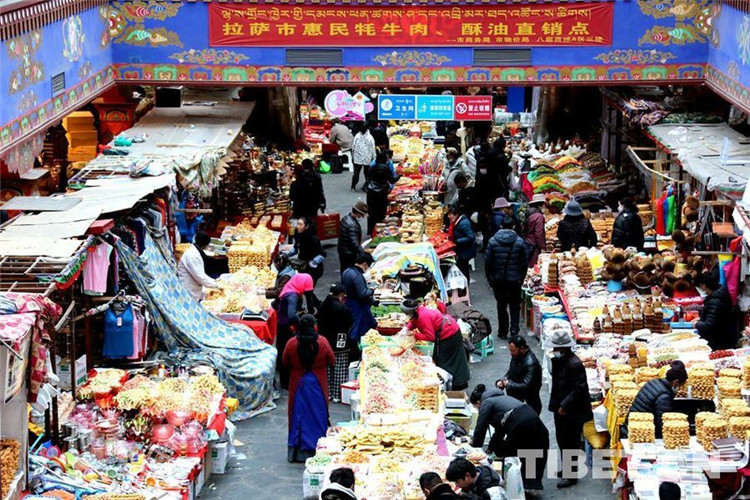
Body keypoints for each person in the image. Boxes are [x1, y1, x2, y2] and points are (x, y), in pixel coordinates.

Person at [470, 385, 548, 493]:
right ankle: (531, 485)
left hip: (519, 423)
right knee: (533, 450)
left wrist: (475, 449)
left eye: (476, 407)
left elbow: (481, 427)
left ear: (478, 403)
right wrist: (491, 447)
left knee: (510, 452)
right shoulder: (501, 398)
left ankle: (521, 485)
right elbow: (500, 429)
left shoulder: (486, 402)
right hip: (532, 418)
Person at [282, 314, 334, 463]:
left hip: (298, 383)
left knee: (298, 415)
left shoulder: (292, 343)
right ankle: (318, 448)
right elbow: (331, 359)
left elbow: (285, 361)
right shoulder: (322, 342)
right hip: (317, 383)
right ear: (314, 326)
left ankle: (296, 451)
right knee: (318, 415)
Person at [548, 330, 593, 489]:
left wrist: (564, 405)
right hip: (560, 407)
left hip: (572, 411)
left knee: (571, 442)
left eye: (556, 348)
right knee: (562, 440)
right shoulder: (560, 361)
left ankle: (571, 475)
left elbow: (579, 388)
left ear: (564, 348)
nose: (554, 351)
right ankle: (567, 469)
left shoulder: (574, 364)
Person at [401, 298, 471, 390]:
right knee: (446, 360)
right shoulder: (418, 312)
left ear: (413, 311)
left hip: (450, 334)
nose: (407, 316)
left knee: (446, 361)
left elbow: (430, 337)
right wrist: (406, 328)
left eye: (408, 314)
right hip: (448, 328)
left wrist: (415, 334)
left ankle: (456, 384)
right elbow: (413, 321)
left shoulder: (423, 316)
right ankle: (451, 383)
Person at [485, 216, 529, 339]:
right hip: (514, 279)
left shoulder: (492, 241)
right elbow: (524, 263)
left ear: (501, 226)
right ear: (513, 227)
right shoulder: (520, 242)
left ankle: (502, 331)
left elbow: (488, 262)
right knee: (515, 304)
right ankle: (514, 329)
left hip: (498, 279)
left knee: (501, 305)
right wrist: (522, 278)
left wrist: (489, 278)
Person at [624, 360, 688, 438]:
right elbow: (662, 423)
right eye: (681, 386)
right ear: (676, 382)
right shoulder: (664, 396)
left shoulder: (654, 382)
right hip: (636, 433)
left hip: (629, 426)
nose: (680, 389)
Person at [276, 273, 316, 390]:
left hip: (283, 325)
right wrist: (302, 324)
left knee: (284, 352)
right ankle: (286, 383)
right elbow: (292, 315)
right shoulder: (292, 296)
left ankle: (285, 381)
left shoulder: (291, 289)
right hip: (287, 328)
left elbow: (309, 298)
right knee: (287, 353)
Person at [317, 283, 354, 403]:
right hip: (340, 341)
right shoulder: (343, 309)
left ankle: (327, 392)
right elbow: (349, 323)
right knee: (339, 367)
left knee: (327, 367)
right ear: (341, 295)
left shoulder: (323, 305)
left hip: (325, 341)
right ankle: (337, 394)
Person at [342, 253, 377, 359]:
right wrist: (372, 290)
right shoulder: (357, 275)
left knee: (353, 326)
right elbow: (362, 294)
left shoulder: (347, 271)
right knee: (358, 328)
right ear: (365, 264)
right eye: (368, 266)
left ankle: (354, 350)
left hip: (348, 302)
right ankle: (355, 353)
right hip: (357, 305)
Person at [495, 335, 542, 414]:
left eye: (513, 351)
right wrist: (502, 380)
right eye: (510, 350)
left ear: (522, 348)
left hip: (530, 400)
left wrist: (508, 384)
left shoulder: (531, 363)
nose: (511, 354)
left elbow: (525, 386)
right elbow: (511, 372)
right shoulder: (516, 356)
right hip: (517, 397)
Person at [694, 268, 736, 350]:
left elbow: (709, 326)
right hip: (721, 339)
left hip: (718, 342)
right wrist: (701, 319)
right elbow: (713, 318)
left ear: (704, 285)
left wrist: (696, 324)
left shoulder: (716, 300)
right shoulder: (719, 295)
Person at [177, 231, 219, 302]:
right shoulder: (192, 256)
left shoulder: (195, 252)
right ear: (204, 245)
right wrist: (216, 285)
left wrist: (214, 282)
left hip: (195, 288)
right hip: (188, 289)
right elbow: (200, 277)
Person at [365, 151, 394, 236]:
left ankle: (371, 231)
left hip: (371, 191)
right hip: (382, 192)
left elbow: (368, 177)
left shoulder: (372, 167)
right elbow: (392, 179)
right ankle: (380, 230)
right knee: (381, 211)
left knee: (371, 211)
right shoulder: (386, 168)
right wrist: (399, 176)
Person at [448, 203, 477, 284]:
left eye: (450, 214)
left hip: (465, 251)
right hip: (461, 249)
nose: (449, 216)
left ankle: (465, 286)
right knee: (462, 268)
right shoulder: (456, 222)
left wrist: (457, 241)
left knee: (463, 269)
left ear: (456, 215)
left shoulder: (464, 223)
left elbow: (471, 237)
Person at [293, 216, 325, 284]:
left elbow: (322, 254)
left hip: (313, 269)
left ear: (306, 226)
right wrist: (287, 254)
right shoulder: (298, 235)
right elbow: (296, 247)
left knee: (308, 287)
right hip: (303, 265)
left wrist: (313, 262)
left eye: (300, 225)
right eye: (297, 224)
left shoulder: (313, 239)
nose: (298, 226)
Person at [338, 201, 369, 273]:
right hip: (349, 253)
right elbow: (354, 243)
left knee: (344, 268)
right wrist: (362, 253)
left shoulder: (345, 218)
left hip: (342, 250)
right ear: (358, 213)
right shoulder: (353, 225)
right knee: (349, 271)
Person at [523, 194, 547, 267]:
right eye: (544, 204)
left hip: (528, 241)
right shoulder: (539, 216)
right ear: (540, 205)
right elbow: (539, 233)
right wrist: (542, 247)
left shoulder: (531, 214)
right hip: (533, 244)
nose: (545, 206)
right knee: (534, 265)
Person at [351, 123, 376, 191]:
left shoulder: (357, 136)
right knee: (367, 174)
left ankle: (353, 186)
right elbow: (372, 149)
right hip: (367, 158)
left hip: (357, 157)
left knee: (356, 173)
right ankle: (366, 186)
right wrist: (374, 158)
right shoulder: (370, 137)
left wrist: (352, 156)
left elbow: (353, 147)